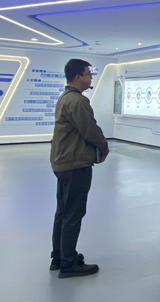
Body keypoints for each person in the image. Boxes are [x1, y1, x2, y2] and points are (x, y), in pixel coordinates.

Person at [50, 59, 109, 278]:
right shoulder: (77, 101)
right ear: (78, 77)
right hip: (75, 163)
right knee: (73, 213)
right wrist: (104, 147)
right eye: (88, 74)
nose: (90, 77)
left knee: (63, 212)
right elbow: (90, 130)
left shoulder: (65, 98)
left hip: (63, 162)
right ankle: (68, 263)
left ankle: (59, 257)